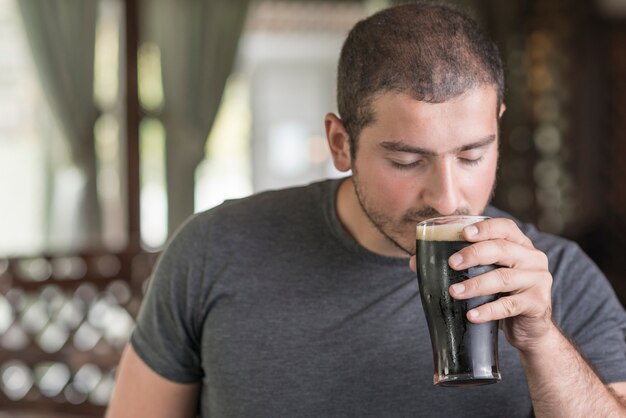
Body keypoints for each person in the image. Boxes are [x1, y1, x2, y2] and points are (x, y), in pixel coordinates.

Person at [106, 3, 626, 417]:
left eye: (472, 155)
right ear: (341, 142)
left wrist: (542, 342)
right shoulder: (213, 250)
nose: (447, 198)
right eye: (406, 159)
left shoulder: (559, 278)